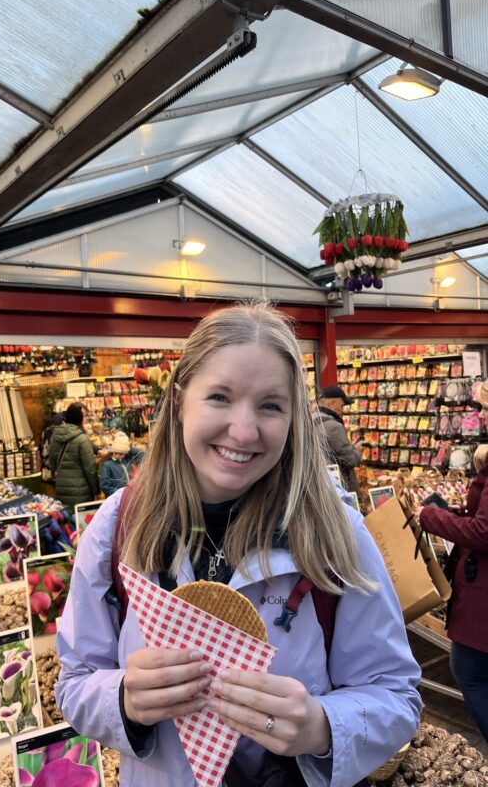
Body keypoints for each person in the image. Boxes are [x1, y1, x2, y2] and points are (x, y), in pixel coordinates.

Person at [56, 303, 421, 787]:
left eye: (271, 406)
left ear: (293, 418)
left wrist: (322, 727)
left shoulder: (336, 533)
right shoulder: (118, 527)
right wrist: (123, 700)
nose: (244, 432)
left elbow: (396, 695)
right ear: (180, 400)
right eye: (220, 397)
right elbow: (75, 681)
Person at [417, 387, 488, 744]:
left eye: (485, 408)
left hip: (482, 597)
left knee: (468, 671)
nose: (481, 416)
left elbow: (483, 532)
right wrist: (458, 512)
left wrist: (430, 517)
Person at [48, 403, 99, 515]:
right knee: (81, 522)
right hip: (81, 491)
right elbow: (90, 469)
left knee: (66, 520)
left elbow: (51, 463)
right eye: (84, 416)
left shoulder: (55, 436)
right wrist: (96, 491)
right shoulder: (82, 439)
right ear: (79, 419)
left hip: (61, 488)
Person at [315, 385, 362, 493]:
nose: (342, 410)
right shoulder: (334, 427)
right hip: (338, 487)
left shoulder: (311, 420)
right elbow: (350, 460)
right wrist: (356, 449)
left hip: (320, 484)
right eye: (342, 406)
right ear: (331, 403)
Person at [100, 431, 145, 497]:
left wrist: (129, 449)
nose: (118, 456)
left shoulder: (129, 460)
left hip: (133, 495)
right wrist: (120, 494)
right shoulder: (108, 465)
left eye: (121, 454)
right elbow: (105, 486)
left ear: (126, 453)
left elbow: (144, 454)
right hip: (119, 497)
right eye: (115, 453)